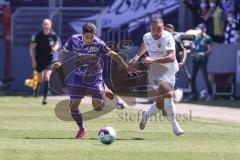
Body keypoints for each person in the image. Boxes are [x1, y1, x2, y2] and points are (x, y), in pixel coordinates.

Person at [53, 22, 137, 139]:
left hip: (95, 77)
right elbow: (64, 52)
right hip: (79, 76)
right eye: (87, 37)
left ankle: (104, 89)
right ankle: (82, 128)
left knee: (98, 108)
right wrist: (60, 61)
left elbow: (113, 54)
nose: (90, 39)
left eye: (92, 37)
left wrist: (126, 67)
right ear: (82, 34)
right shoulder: (74, 39)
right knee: (72, 107)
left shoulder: (98, 43)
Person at [129, 16, 184, 136]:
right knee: (168, 94)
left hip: (170, 71)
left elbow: (172, 57)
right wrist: (136, 58)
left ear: (163, 28)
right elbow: (145, 45)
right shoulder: (147, 36)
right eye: (153, 29)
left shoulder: (167, 37)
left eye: (158, 29)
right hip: (155, 73)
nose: (156, 32)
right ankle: (175, 126)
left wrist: (151, 59)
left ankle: (146, 115)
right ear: (150, 28)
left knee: (161, 104)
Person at [29, 18, 59, 105]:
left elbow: (57, 43)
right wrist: (33, 60)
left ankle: (45, 98)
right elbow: (31, 48)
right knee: (40, 79)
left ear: (50, 25)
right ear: (42, 25)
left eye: (48, 24)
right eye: (45, 24)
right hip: (39, 60)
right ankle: (36, 90)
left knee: (47, 77)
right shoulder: (37, 35)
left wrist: (55, 48)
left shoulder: (53, 35)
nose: (46, 26)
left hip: (48, 60)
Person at [188, 23, 213, 101]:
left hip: (203, 61)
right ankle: (194, 94)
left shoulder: (207, 38)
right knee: (192, 78)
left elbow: (209, 49)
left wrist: (203, 53)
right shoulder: (196, 38)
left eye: (201, 29)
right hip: (195, 60)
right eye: (199, 29)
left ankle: (210, 94)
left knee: (206, 78)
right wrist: (190, 52)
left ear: (204, 29)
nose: (199, 30)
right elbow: (193, 48)